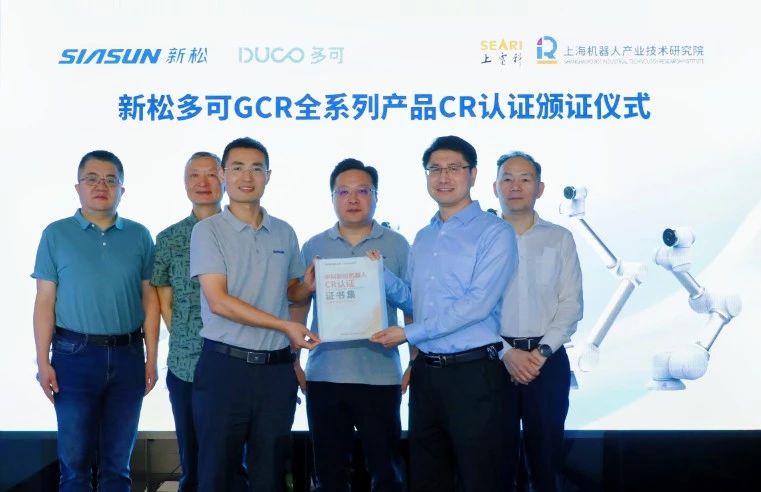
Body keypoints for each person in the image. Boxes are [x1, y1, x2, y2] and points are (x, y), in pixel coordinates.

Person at [371, 135, 518, 492]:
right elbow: (416, 302)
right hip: (427, 375)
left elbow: (478, 304)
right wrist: (379, 276)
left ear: (473, 174)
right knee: (427, 477)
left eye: (453, 168)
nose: (443, 177)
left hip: (473, 374)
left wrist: (408, 334)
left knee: (481, 478)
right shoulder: (423, 236)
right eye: (434, 169)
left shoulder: (495, 232)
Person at [189, 137, 319, 491]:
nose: (247, 177)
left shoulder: (284, 231)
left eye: (256, 168)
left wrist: (306, 286)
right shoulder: (208, 231)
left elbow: (290, 292)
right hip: (225, 369)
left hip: (275, 372)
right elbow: (219, 301)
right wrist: (284, 325)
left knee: (270, 475)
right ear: (223, 175)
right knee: (216, 475)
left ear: (268, 176)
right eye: (237, 168)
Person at [32, 150, 159, 490]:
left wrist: (152, 358)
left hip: (128, 355)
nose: (101, 186)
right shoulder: (56, 234)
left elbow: (150, 298)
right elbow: (44, 300)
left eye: (110, 180)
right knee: (74, 468)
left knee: (118, 467)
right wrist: (43, 361)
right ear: (78, 187)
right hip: (74, 356)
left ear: (122, 189)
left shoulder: (139, 235)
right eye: (92, 179)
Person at [292, 158, 410, 492]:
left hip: (380, 375)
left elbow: (413, 305)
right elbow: (300, 303)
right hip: (325, 375)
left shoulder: (397, 245)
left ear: (376, 196)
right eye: (343, 192)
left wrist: (415, 361)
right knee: (330, 476)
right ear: (332, 197)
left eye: (363, 191)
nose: (353, 199)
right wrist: (294, 359)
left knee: (386, 474)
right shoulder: (314, 246)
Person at [151, 151, 242, 491]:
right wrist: (187, 337)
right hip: (186, 364)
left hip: (236, 362)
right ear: (185, 183)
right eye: (194, 175)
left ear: (224, 180)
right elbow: (163, 298)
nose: (203, 182)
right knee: (192, 461)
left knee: (233, 462)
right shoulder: (169, 238)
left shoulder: (242, 233)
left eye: (211, 174)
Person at [493, 151, 583, 492]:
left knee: (545, 464)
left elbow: (571, 305)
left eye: (525, 179)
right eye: (507, 178)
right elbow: (472, 309)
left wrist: (540, 354)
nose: (515, 186)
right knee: (494, 463)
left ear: (540, 188)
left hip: (547, 362)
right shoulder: (481, 240)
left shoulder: (560, 238)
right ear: (495, 187)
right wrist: (506, 353)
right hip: (493, 361)